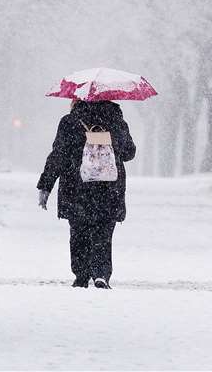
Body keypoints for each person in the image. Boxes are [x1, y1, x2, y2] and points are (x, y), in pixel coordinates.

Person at [37, 98, 137, 289]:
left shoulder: (69, 122)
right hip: (109, 188)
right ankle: (101, 274)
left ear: (77, 101)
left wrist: (46, 185)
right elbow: (129, 153)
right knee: (103, 233)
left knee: (78, 232)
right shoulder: (116, 121)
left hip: (76, 187)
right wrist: (109, 140)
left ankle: (81, 275)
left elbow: (58, 155)